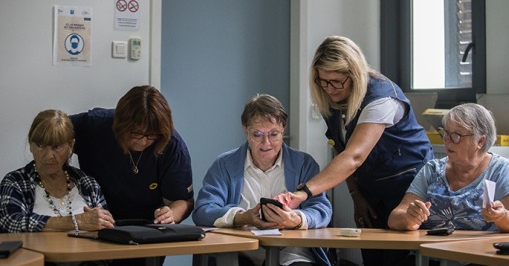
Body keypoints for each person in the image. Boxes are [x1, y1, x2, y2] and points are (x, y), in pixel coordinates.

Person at [278, 36, 434, 266]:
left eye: (337, 81)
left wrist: (303, 193)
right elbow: (341, 150)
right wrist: (356, 195)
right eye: (323, 81)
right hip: (371, 189)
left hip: (408, 188)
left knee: (399, 259)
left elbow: (355, 156)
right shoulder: (332, 100)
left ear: (355, 75)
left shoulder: (381, 97)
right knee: (372, 256)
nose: (330, 88)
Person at [193, 94, 333, 266]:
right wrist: (243, 217)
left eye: (274, 134)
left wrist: (295, 219)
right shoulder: (225, 165)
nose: (266, 143)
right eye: (257, 134)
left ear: (284, 129)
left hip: (292, 253)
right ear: (245, 129)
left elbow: (321, 208)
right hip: (239, 251)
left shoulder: (304, 164)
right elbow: (203, 211)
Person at [70, 85, 194, 266]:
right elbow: (52, 131)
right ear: (121, 125)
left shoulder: (172, 146)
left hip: (143, 232)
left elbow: (184, 201)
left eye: (152, 136)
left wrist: (170, 215)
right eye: (136, 133)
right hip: (93, 227)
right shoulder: (94, 126)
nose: (144, 141)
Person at [388, 103, 509, 233]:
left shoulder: (501, 169)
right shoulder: (433, 169)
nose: (447, 140)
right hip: (431, 251)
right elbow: (394, 218)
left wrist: (503, 216)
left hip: (479, 252)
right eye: (445, 133)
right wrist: (409, 218)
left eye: (456, 136)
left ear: (480, 141)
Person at [0, 109, 114, 233]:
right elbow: (9, 222)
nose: (49, 155)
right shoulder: (15, 182)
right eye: (40, 146)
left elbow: (106, 225)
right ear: (31, 145)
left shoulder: (87, 183)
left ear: (71, 146)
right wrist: (77, 221)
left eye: (57, 147)